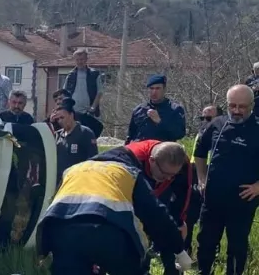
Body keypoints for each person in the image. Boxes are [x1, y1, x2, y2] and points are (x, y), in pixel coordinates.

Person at [37, 147, 193, 274]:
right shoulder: (127, 172)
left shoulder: (73, 170)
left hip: (60, 233)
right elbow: (156, 215)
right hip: (106, 233)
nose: (166, 179)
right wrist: (179, 249)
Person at [100, 140, 192, 275]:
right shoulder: (132, 160)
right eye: (164, 174)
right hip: (124, 194)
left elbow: (183, 192)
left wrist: (180, 221)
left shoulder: (181, 163)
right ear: (152, 161)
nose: (168, 178)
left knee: (166, 225)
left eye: (172, 175)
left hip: (158, 193)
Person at [194, 85, 259, 275]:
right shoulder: (216, 124)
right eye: (232, 106)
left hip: (243, 199)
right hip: (213, 197)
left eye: (242, 107)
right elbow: (199, 153)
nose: (236, 111)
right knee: (206, 242)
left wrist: (257, 187)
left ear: (252, 105)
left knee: (237, 246)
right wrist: (201, 178)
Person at [185, 104, 223, 253]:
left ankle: (211, 253)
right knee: (188, 215)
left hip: (214, 174)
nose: (205, 121)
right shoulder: (200, 133)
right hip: (194, 174)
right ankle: (185, 250)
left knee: (211, 218)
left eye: (209, 118)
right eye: (202, 118)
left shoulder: (223, 133)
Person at [126, 74, 186, 145]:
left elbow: (179, 134)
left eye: (158, 88)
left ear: (164, 89)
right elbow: (130, 136)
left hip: (163, 150)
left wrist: (160, 122)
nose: (154, 92)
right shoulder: (139, 110)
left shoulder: (175, 109)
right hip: (141, 150)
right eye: (151, 88)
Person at [53, 98, 98, 186]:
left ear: (71, 115)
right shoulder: (57, 135)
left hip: (78, 182)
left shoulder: (85, 133)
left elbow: (93, 159)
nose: (60, 121)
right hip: (60, 183)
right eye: (58, 119)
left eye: (62, 117)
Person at [63, 48, 104, 116]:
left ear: (86, 59)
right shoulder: (70, 75)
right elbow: (64, 93)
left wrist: (93, 107)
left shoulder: (94, 74)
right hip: (73, 112)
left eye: (81, 59)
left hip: (89, 112)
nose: (79, 62)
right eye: (77, 60)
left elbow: (99, 92)